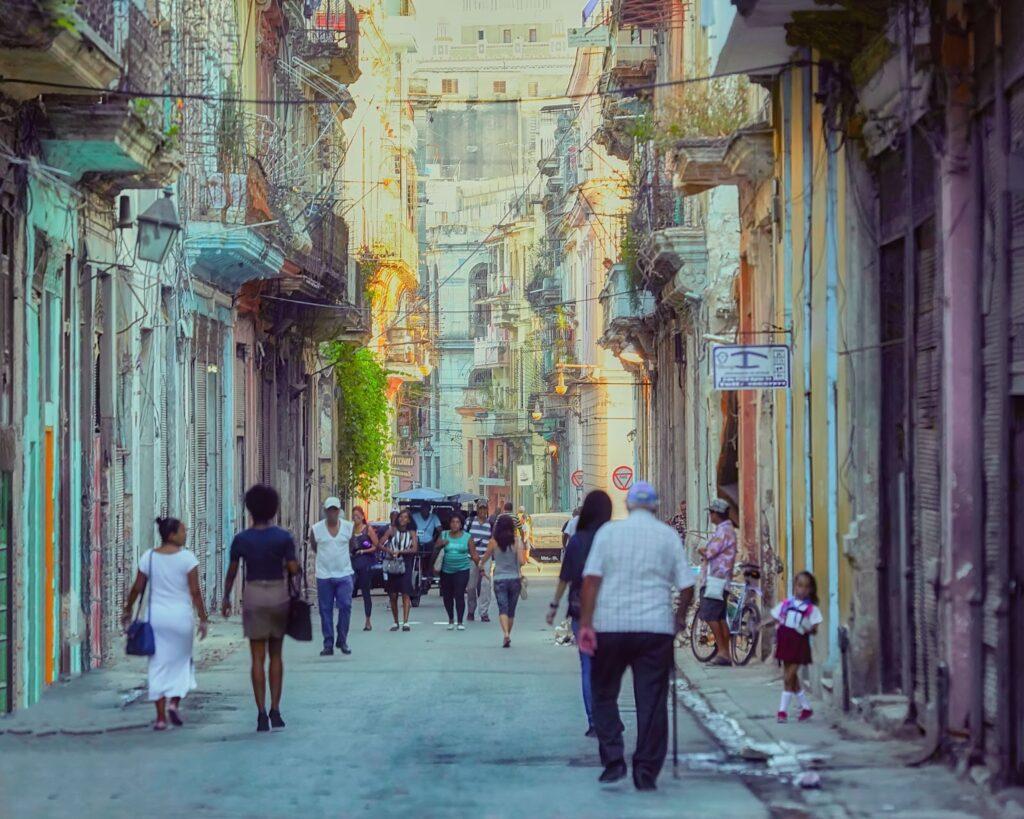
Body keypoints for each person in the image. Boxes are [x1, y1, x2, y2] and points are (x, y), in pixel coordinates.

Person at [577, 481, 695, 791]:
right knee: (652, 702)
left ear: (628, 506)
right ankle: (645, 772)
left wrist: (587, 624)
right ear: (655, 507)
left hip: (611, 626)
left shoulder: (609, 534)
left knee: (603, 693)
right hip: (654, 629)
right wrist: (679, 618)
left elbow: (590, 581)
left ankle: (614, 758)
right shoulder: (668, 536)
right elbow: (686, 585)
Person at [222, 484, 300, 732]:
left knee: (257, 657)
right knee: (276, 655)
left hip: (253, 593)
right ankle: (276, 709)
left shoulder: (241, 539)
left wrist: (225, 598)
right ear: (274, 509)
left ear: (250, 509)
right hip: (277, 593)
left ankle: (260, 713)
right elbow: (293, 568)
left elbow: (233, 573)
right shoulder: (283, 537)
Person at [122, 517, 209, 731]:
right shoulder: (188, 559)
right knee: (181, 663)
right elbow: (195, 591)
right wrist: (204, 618)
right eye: (182, 531)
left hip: (157, 618)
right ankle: (174, 703)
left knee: (158, 664)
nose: (185, 534)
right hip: (181, 618)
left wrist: (127, 609)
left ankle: (160, 718)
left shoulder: (149, 557)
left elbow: (137, 588)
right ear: (171, 534)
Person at [546, 490, 612, 737]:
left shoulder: (577, 540)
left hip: (580, 608)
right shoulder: (610, 537)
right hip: (608, 609)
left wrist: (554, 605)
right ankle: (607, 717)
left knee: (587, 665)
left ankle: (594, 721)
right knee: (607, 666)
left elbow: (565, 577)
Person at [772, 571, 822, 723]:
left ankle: (782, 712)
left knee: (788, 677)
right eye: (800, 586)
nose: (803, 590)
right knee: (791, 678)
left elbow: (815, 629)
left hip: (799, 644)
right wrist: (761, 625)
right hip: (785, 641)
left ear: (811, 590)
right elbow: (775, 617)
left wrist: (808, 628)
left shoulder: (812, 609)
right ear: (795, 587)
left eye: (807, 587)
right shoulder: (786, 604)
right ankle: (806, 708)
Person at [310, 497, 355, 656]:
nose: (332, 513)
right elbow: (315, 547)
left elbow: (352, 545)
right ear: (325, 512)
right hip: (324, 575)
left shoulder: (348, 528)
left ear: (339, 511)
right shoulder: (316, 529)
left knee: (345, 606)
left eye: (335, 510)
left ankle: (342, 639)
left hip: (344, 574)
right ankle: (328, 643)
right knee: (325, 610)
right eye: (329, 510)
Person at [697, 498, 737, 667]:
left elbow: (711, 552)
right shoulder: (726, 529)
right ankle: (724, 653)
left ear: (717, 514)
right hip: (720, 579)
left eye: (711, 513)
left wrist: (702, 550)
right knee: (719, 617)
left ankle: (722, 652)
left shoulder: (723, 531)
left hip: (716, 579)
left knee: (709, 614)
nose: (710, 516)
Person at [478, 514, 525, 647]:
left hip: (499, 579)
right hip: (515, 580)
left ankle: (505, 634)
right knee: (511, 611)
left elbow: (485, 558)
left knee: (502, 609)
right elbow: (522, 561)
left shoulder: (493, 541)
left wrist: (481, 567)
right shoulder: (516, 541)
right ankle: (508, 635)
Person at [436, 512, 478, 630]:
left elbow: (474, 554)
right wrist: (441, 543)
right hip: (446, 570)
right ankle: (450, 619)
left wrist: (481, 568)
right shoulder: (444, 535)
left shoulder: (467, 537)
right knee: (447, 596)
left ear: (461, 524)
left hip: (462, 569)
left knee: (459, 594)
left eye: (457, 522)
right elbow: (436, 547)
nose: (455, 524)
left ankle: (460, 621)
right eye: (453, 522)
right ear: (449, 524)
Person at [380, 509, 419, 631]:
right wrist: (389, 551)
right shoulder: (392, 530)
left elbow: (414, 549)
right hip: (392, 562)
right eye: (401, 517)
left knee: (405, 591)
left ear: (409, 520)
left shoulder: (412, 532)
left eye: (405, 517)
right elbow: (380, 543)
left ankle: (405, 621)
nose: (402, 519)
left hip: (405, 562)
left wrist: (401, 551)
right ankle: (395, 621)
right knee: (393, 593)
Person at [349, 506, 379, 632]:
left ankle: (368, 620)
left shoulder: (368, 529)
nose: (355, 518)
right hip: (352, 563)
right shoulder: (350, 530)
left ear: (362, 516)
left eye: (357, 516)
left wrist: (363, 551)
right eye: (353, 516)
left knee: (365, 592)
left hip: (365, 563)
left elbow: (375, 546)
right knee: (348, 591)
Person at [467, 499, 493, 622]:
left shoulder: (490, 524)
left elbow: (493, 541)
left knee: (486, 585)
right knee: (471, 586)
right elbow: (465, 537)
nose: (482, 511)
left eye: (484, 509)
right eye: (480, 509)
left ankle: (484, 612)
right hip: (472, 557)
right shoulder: (470, 522)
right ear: (477, 510)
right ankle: (471, 610)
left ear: (487, 510)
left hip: (486, 558)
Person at [518, 505, 542, 573]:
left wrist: (523, 541)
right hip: (523, 543)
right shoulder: (523, 525)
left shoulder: (525, 526)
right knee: (521, 558)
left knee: (527, 558)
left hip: (525, 543)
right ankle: (518, 571)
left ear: (524, 519)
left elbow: (527, 535)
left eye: (521, 519)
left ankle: (538, 565)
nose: (520, 519)